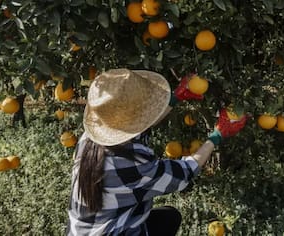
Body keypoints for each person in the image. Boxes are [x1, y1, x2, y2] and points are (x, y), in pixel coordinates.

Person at [67, 69, 246, 236]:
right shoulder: (129, 164)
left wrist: (176, 97)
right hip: (113, 231)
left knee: (169, 218)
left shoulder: (92, 138)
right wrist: (217, 135)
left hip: (84, 229)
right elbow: (183, 173)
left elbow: (140, 126)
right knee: (168, 220)